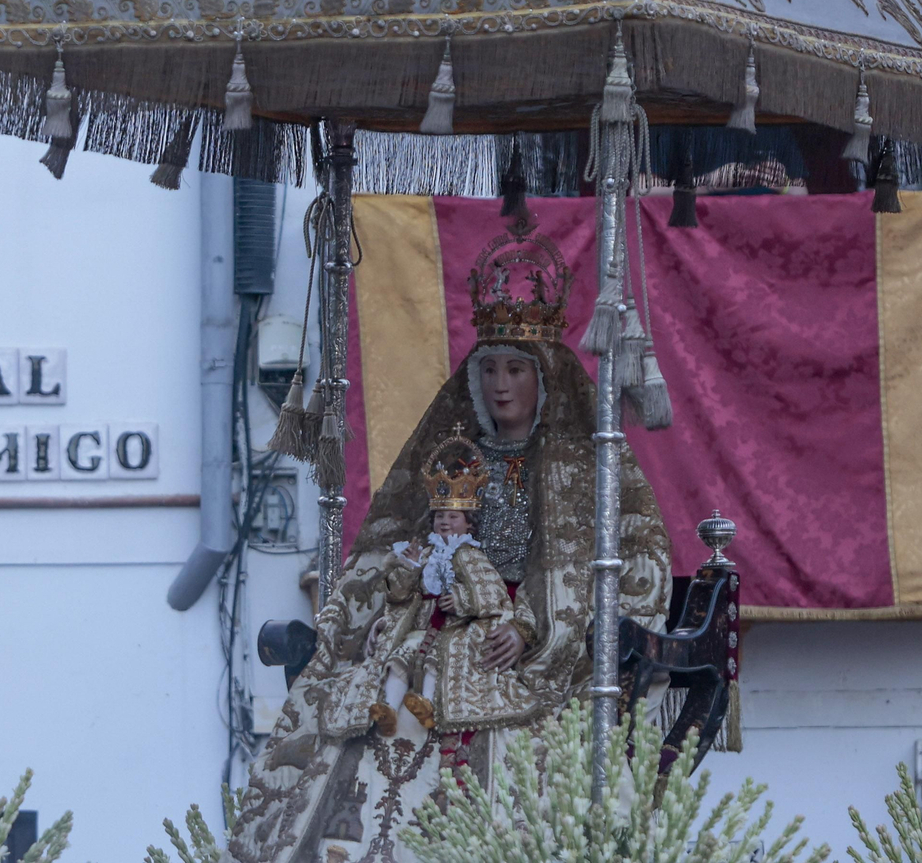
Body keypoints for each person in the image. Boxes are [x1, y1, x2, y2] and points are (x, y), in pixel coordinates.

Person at [227, 219, 672, 863]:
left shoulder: (579, 466)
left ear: (543, 378)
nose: (500, 384)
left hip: (536, 640)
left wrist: (529, 625)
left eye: (515, 369)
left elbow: (596, 566)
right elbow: (409, 551)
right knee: (391, 687)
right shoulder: (457, 458)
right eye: (489, 369)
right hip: (444, 621)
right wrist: (386, 605)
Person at [367, 429, 540, 740]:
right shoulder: (425, 554)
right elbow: (401, 594)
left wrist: (461, 600)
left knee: (437, 660)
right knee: (401, 656)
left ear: (469, 525)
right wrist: (408, 568)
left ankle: (428, 705)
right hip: (422, 624)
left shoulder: (470, 556)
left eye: (452, 517)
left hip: (457, 629)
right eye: (439, 517)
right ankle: (388, 708)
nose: (444, 522)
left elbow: (492, 593)